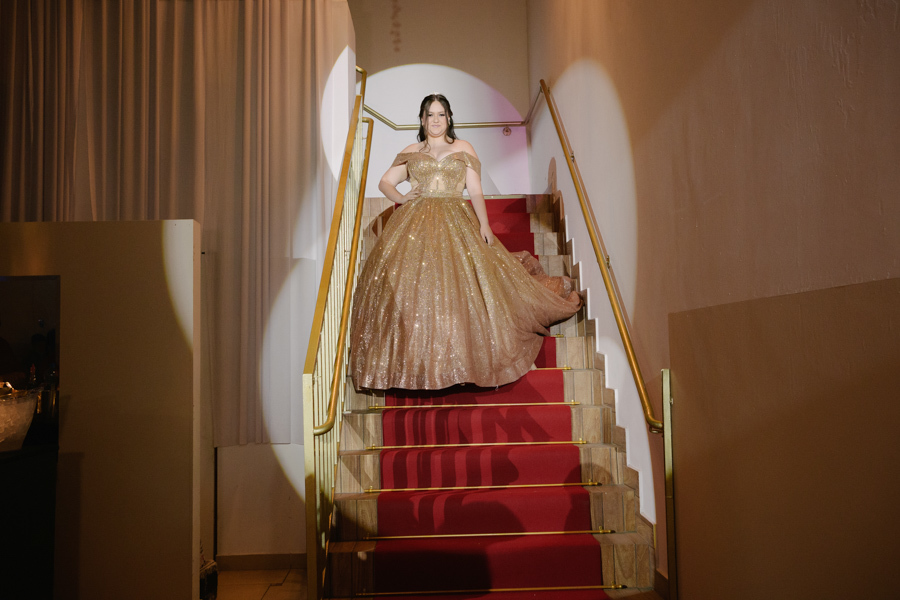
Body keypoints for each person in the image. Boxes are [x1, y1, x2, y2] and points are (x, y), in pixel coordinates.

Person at [349, 94, 581, 390]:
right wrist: (402, 198)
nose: (435, 120)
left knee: (461, 285)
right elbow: (385, 181)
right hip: (414, 225)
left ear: (449, 119)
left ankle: (460, 362)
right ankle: (417, 367)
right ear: (421, 119)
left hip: (455, 218)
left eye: (441, 114)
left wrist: (484, 223)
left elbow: (474, 189)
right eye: (430, 114)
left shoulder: (462, 148)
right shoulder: (411, 150)